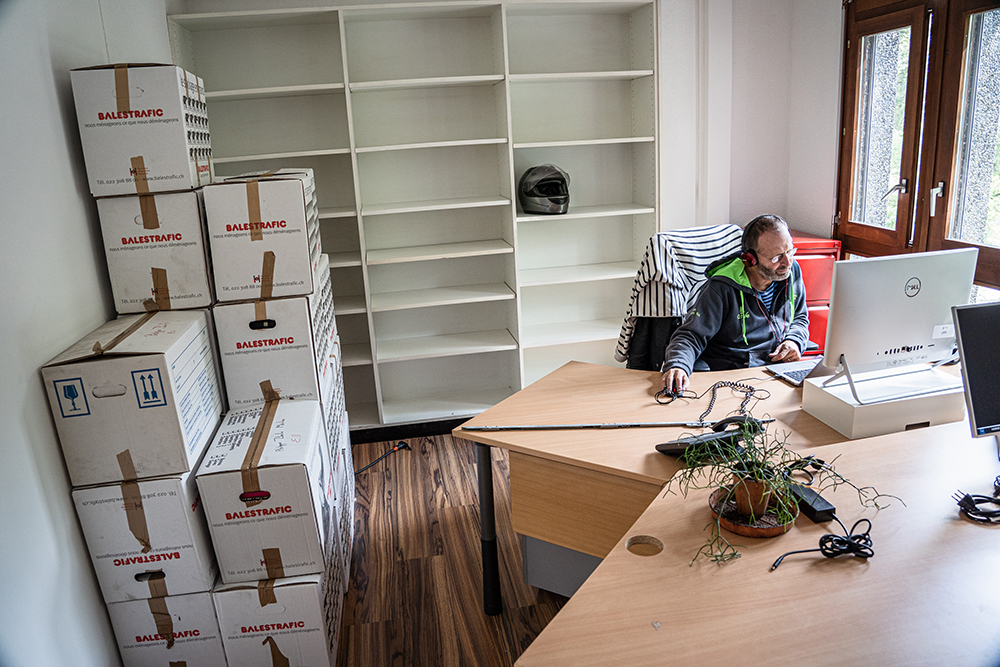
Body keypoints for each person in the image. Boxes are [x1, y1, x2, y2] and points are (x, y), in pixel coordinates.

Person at [661, 214, 810, 392]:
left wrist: (794, 341)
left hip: (777, 370)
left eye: (790, 251)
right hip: (735, 374)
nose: (787, 262)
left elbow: (800, 317)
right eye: (776, 257)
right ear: (751, 259)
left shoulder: (790, 271)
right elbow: (691, 335)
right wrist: (678, 365)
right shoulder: (721, 288)